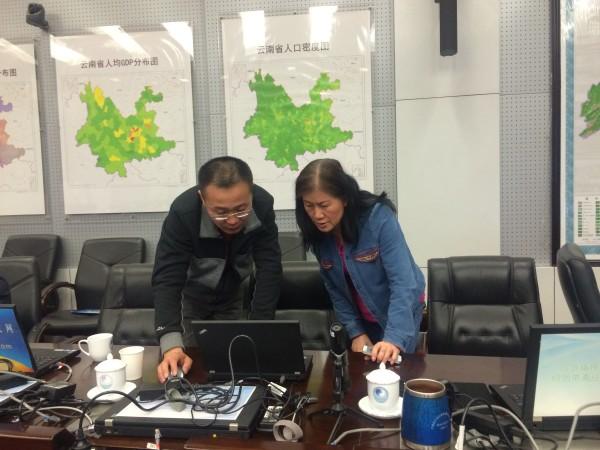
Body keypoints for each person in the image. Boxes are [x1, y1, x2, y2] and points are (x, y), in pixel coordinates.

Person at [153, 156, 282, 382]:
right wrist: (171, 344)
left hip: (233, 292)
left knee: (230, 366)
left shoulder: (262, 204)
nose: (232, 220)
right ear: (202, 198)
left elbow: (269, 267)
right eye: (220, 212)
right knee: (192, 366)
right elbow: (167, 277)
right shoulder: (183, 213)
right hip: (192, 296)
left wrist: (259, 327)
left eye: (241, 210)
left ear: (251, 193)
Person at [295, 158, 424, 365]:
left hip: (400, 312)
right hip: (363, 318)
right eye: (309, 206)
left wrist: (393, 338)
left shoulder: (378, 218)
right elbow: (335, 290)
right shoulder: (318, 235)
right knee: (363, 374)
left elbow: (403, 283)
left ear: (344, 198)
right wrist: (356, 332)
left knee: (395, 371)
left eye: (324, 205)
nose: (317, 215)